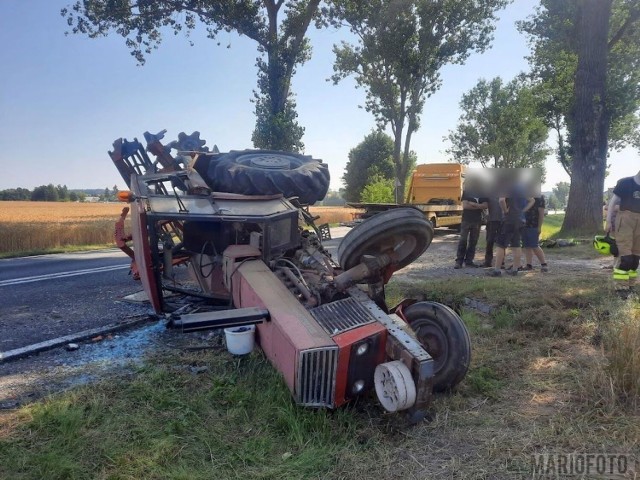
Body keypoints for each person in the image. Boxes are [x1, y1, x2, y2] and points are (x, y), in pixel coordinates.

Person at [606, 169, 640, 296]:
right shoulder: (625, 183)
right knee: (625, 257)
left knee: (635, 258)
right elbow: (612, 202)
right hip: (625, 220)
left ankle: (631, 285)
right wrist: (608, 221)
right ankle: (620, 287)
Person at [487, 190, 534, 277]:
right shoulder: (521, 188)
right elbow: (532, 200)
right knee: (516, 245)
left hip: (509, 220)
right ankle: (515, 270)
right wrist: (523, 211)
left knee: (501, 245)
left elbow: (501, 200)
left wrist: (505, 211)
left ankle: (497, 270)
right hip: (520, 220)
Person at [454, 182, 488, 269]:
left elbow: (485, 206)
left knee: (473, 242)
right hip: (466, 220)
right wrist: (478, 206)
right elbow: (465, 206)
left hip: (477, 221)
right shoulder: (467, 192)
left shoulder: (483, 193)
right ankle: (459, 261)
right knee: (463, 240)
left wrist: (474, 204)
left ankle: (469, 261)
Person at [522, 196, 549, 272]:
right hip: (524, 224)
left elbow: (541, 214)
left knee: (534, 245)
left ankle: (544, 264)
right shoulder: (526, 197)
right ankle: (529, 265)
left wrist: (539, 227)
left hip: (534, 225)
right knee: (527, 246)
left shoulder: (540, 199)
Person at [483, 196, 503, 267]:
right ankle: (488, 261)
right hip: (491, 220)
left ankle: (501, 262)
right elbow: (484, 205)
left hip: (502, 221)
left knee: (501, 243)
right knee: (489, 241)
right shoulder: (489, 192)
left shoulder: (506, 191)